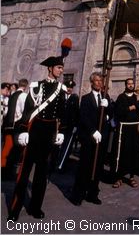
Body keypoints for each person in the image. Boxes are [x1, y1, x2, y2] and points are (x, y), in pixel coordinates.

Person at [7, 56, 67, 221]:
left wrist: (61, 131)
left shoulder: (62, 89)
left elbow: (62, 112)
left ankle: (35, 207)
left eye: (62, 68)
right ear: (50, 68)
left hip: (49, 133)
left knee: (42, 173)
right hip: (35, 129)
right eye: (58, 67)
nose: (61, 71)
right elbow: (28, 110)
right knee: (24, 172)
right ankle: (15, 209)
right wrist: (24, 130)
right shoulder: (36, 86)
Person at [71, 72, 112, 205]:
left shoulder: (105, 97)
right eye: (96, 81)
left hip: (102, 139)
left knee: (98, 167)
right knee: (85, 166)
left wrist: (108, 107)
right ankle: (78, 195)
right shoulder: (86, 98)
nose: (99, 83)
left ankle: (93, 193)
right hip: (89, 137)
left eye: (101, 80)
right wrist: (93, 131)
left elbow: (111, 115)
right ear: (92, 82)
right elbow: (83, 117)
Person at [110, 78, 139, 188]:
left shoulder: (137, 97)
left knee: (133, 152)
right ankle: (118, 177)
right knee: (121, 152)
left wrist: (137, 101)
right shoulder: (121, 97)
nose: (130, 85)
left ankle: (132, 177)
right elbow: (118, 111)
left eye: (132, 84)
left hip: (134, 128)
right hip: (123, 129)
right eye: (128, 84)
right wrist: (131, 107)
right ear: (125, 85)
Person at [1, 79, 29, 178]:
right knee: (16, 150)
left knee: (7, 148)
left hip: (8, 125)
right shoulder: (23, 95)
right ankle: (9, 172)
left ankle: (4, 171)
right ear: (26, 86)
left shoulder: (12, 95)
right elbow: (23, 111)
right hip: (17, 126)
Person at [57, 80, 79, 172]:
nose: (69, 89)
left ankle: (61, 165)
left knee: (67, 146)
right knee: (57, 145)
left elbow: (77, 112)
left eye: (71, 88)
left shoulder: (75, 98)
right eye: (68, 87)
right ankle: (54, 163)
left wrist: (76, 126)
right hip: (59, 126)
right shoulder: (60, 96)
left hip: (70, 126)